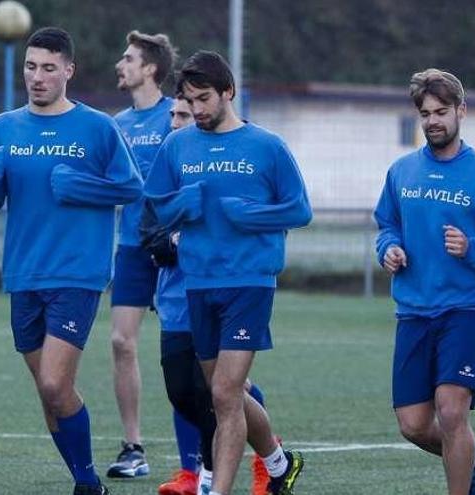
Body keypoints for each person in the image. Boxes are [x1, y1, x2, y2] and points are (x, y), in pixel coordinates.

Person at [0, 27, 142, 495]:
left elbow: (131, 188)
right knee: (50, 395)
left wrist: (82, 187)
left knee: (53, 384)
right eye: (30, 66)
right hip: (23, 272)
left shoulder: (98, 127)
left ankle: (87, 484)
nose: (37, 77)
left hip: (78, 272)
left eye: (48, 68)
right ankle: (85, 480)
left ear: (69, 70)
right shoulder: (3, 127)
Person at [145, 51, 311, 495]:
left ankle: (217, 490)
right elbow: (159, 207)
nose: (196, 110)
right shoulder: (177, 146)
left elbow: (299, 209)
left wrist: (253, 216)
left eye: (204, 99)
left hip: (250, 283)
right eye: (189, 101)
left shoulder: (268, 146)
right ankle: (278, 464)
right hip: (199, 284)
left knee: (223, 393)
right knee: (226, 393)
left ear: (228, 93)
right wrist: (185, 205)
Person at [374, 68, 475, 495]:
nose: (432, 121)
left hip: (467, 310)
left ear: (461, 111)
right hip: (413, 311)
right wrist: (388, 249)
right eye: (425, 113)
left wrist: (473, 248)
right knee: (412, 425)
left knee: (451, 411)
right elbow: (386, 224)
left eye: (441, 111)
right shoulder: (402, 171)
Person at [147, 96, 274, 495]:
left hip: (224, 292)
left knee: (221, 393)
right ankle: (273, 458)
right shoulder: (170, 162)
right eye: (173, 115)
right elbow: (149, 231)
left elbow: (264, 217)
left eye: (183, 114)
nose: (177, 121)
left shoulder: (242, 157)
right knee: (184, 391)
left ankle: (209, 477)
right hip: (175, 301)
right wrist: (173, 240)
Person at [107, 30, 177, 479]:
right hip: (132, 247)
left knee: (192, 353)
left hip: (175, 249)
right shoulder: (116, 124)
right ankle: (134, 448)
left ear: (150, 68)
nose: (121, 64)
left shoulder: (179, 114)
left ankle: (244, 402)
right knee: (120, 342)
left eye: (129, 58)